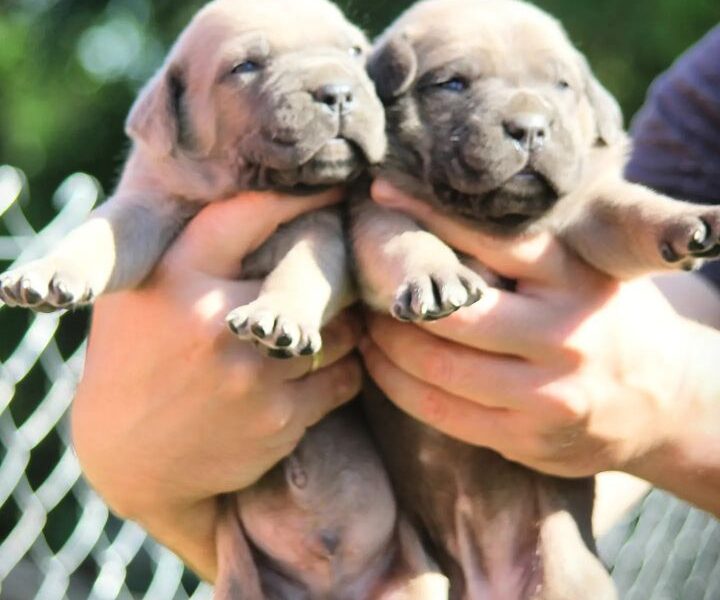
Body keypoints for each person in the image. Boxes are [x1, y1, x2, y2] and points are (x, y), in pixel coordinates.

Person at [71, 26, 720, 582]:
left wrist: (683, 392)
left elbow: (641, 344)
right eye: (453, 85)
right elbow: (651, 305)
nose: (528, 117)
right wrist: (135, 470)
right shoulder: (705, 103)